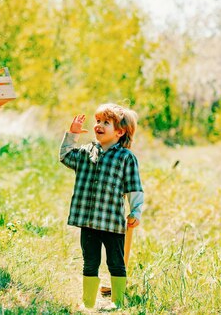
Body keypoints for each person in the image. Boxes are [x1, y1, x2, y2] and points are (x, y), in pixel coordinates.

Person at [59, 104, 144, 309]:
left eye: (106, 122)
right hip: (88, 221)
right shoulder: (86, 152)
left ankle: (117, 301)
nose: (99, 125)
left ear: (120, 131)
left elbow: (134, 187)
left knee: (116, 262)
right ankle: (87, 302)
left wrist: (135, 211)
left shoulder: (125, 158)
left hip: (112, 223)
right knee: (90, 261)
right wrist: (72, 134)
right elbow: (65, 156)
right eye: (98, 121)